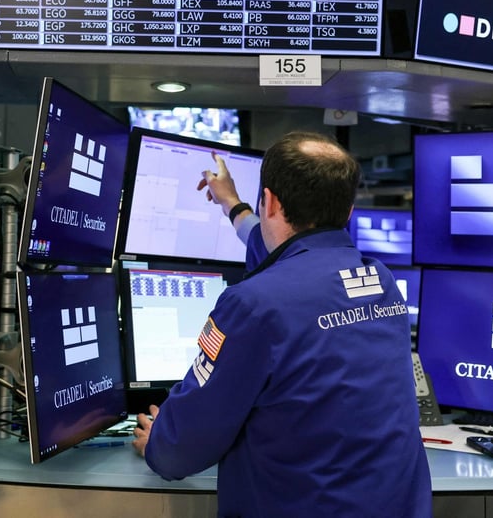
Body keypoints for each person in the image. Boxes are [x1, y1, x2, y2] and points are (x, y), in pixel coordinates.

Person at [132, 131, 432, 517]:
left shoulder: (254, 304)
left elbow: (180, 452)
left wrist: (160, 442)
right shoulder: (379, 282)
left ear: (270, 201)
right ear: (349, 210)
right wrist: (233, 205)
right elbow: (286, 250)